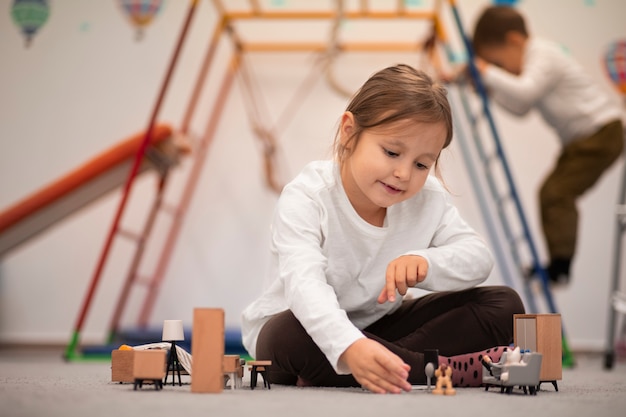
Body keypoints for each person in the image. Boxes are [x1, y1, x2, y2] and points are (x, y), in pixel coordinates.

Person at [241, 64, 525, 394]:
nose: (404, 173)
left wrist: (426, 262)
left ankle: (367, 366)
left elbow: (478, 258)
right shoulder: (307, 196)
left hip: (379, 327)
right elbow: (305, 287)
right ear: (349, 131)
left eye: (421, 164)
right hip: (301, 327)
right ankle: (435, 370)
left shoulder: (428, 198)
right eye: (391, 152)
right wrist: (349, 347)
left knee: (504, 305)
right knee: (286, 334)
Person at [471, 5, 625, 285]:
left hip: (603, 132)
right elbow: (521, 107)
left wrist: (486, 72)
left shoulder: (544, 54)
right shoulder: (533, 62)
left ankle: (560, 266)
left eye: (500, 62)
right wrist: (490, 88)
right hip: (582, 141)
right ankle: (559, 264)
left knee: (556, 193)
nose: (503, 69)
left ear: (515, 40)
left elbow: (525, 91)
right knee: (550, 193)